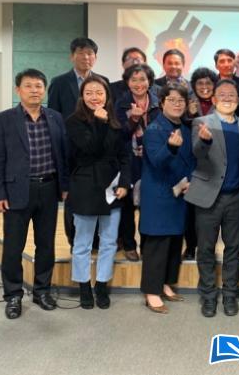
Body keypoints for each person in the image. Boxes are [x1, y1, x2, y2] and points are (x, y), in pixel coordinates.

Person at [0, 69, 69, 319]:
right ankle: (13, 295)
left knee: (46, 245)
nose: (34, 90)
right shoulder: (3, 119)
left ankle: (42, 291)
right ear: (18, 90)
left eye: (38, 86)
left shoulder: (55, 117)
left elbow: (63, 155)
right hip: (16, 191)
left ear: (44, 90)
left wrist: (64, 186)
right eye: (28, 86)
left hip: (48, 188)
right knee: (13, 247)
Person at [185, 80, 239, 317]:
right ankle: (209, 296)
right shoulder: (201, 122)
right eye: (222, 94)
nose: (227, 98)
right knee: (205, 248)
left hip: (236, 197)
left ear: (238, 100)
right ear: (213, 99)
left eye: (232, 95)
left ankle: (230, 294)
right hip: (208, 196)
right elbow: (196, 152)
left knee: (234, 248)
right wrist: (204, 140)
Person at [66, 76, 130, 309]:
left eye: (99, 92)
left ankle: (101, 285)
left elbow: (124, 156)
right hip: (85, 186)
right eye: (89, 92)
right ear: (82, 96)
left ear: (107, 95)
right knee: (82, 242)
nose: (95, 97)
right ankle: (84, 286)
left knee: (109, 241)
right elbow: (89, 149)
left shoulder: (115, 120)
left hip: (112, 187)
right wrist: (100, 123)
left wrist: (125, 183)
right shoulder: (74, 121)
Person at [48, 37, 110, 247]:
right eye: (81, 53)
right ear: (72, 56)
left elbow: (108, 112)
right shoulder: (59, 82)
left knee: (97, 192)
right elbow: (54, 116)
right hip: (71, 148)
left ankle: (96, 239)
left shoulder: (103, 81)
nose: (86, 57)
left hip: (98, 146)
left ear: (95, 57)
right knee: (73, 195)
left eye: (90, 53)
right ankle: (74, 237)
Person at [139, 83, 195, 314]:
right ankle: (151, 292)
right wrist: (171, 148)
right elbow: (156, 161)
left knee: (174, 242)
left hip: (180, 194)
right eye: (171, 100)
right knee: (157, 244)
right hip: (158, 195)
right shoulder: (154, 130)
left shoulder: (186, 129)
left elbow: (191, 161)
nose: (177, 104)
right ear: (162, 103)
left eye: (181, 100)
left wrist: (190, 180)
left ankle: (165, 284)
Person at [115, 63, 161, 261]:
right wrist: (133, 120)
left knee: (149, 206)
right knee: (127, 207)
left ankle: (147, 244)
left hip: (153, 162)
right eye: (133, 80)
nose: (138, 83)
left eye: (142, 79)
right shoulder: (120, 104)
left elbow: (163, 131)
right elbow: (119, 136)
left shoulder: (159, 103)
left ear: (149, 81)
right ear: (127, 82)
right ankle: (129, 244)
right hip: (128, 161)